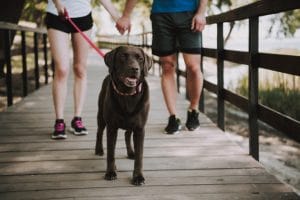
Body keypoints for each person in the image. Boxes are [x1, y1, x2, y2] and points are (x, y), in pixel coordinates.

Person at [116, 0, 207, 134]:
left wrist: (201, 12)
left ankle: (193, 110)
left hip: (189, 13)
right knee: (167, 66)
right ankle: (173, 117)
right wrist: (126, 15)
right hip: (162, 15)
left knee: (193, 67)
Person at [45, 0, 120, 139]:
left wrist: (118, 17)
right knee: (61, 69)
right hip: (56, 14)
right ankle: (59, 120)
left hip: (83, 16)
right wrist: (57, 3)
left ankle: (77, 118)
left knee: (80, 68)